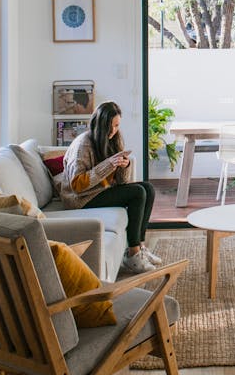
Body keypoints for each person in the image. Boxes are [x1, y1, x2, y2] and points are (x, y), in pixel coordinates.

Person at [60, 100, 160, 274]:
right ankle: (132, 254)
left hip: (99, 191)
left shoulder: (113, 138)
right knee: (137, 193)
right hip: (80, 199)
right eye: (111, 126)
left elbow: (121, 183)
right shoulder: (83, 144)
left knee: (148, 189)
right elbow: (77, 185)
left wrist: (124, 166)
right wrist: (107, 165)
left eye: (117, 125)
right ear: (100, 124)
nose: (114, 130)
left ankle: (140, 247)